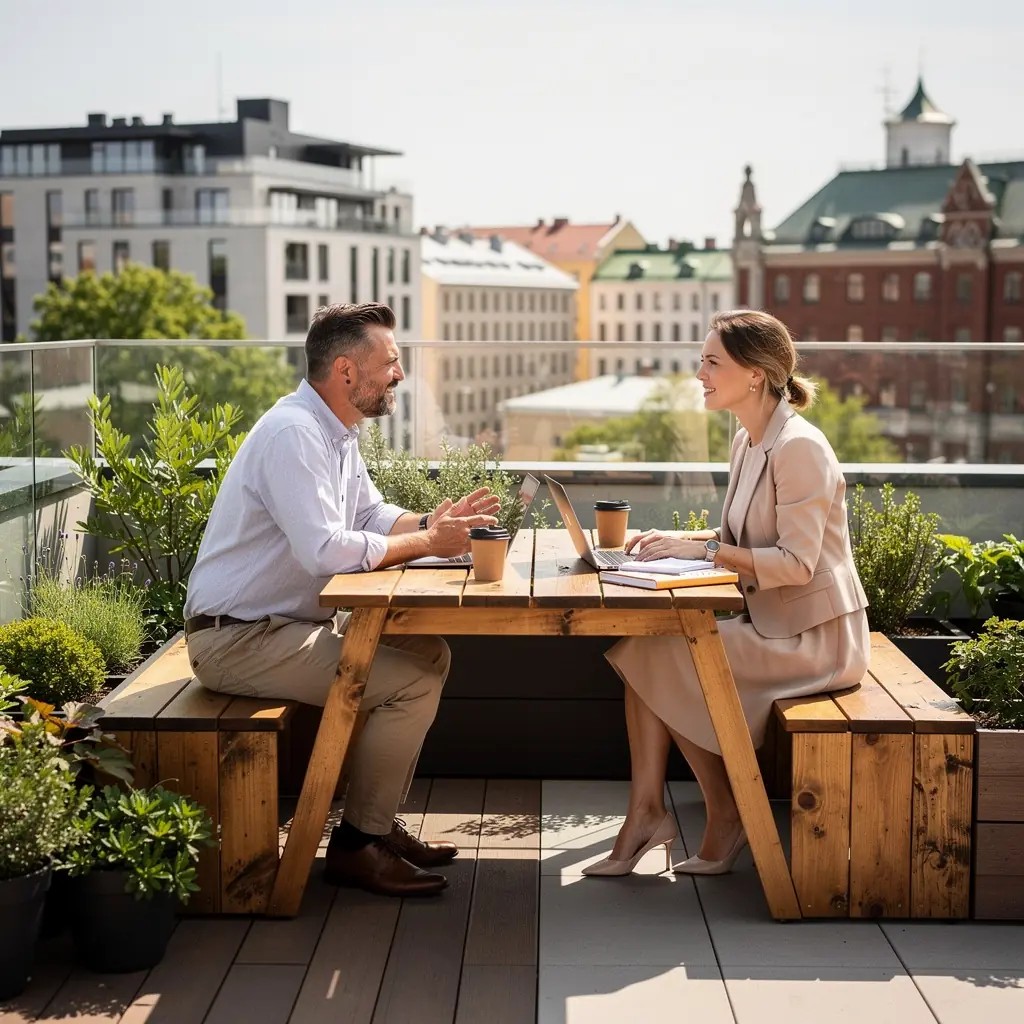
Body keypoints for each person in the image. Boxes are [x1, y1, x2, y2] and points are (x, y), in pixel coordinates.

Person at [184, 302, 500, 898]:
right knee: (412, 683)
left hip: (274, 628)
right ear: (347, 371)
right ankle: (357, 845)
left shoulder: (334, 430)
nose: (399, 374)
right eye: (391, 362)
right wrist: (427, 542)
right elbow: (326, 551)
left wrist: (434, 525)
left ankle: (374, 825)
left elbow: (369, 514)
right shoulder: (295, 435)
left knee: (428, 655)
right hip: (235, 639)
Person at [584, 309, 869, 878]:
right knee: (647, 651)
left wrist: (707, 554)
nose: (700, 374)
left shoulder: (799, 449)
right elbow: (737, 538)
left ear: (756, 374)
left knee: (659, 658)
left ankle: (716, 812)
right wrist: (678, 539)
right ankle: (651, 812)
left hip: (814, 640)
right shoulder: (750, 439)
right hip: (772, 625)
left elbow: (794, 563)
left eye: (712, 361)